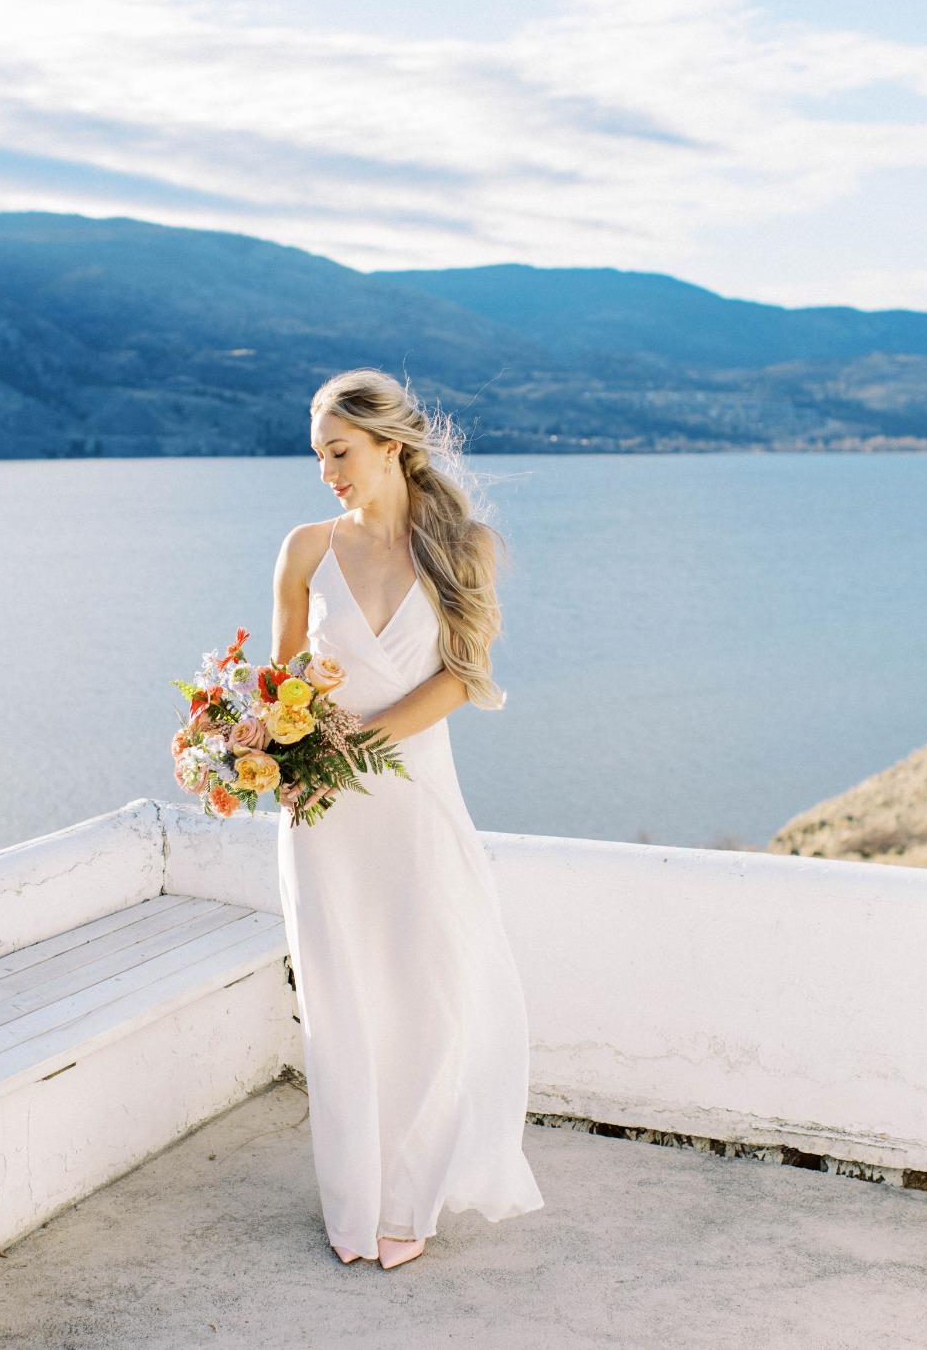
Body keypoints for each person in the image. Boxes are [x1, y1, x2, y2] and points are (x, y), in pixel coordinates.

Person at [272, 368, 543, 1270]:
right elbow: (281, 691)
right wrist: (270, 746)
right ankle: (354, 1207)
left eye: (339, 453)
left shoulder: (463, 546)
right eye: (318, 457)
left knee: (427, 996)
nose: (326, 474)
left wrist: (364, 741)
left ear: (391, 445)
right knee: (343, 1007)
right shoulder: (304, 551)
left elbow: (466, 676)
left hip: (415, 803)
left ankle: (409, 1197)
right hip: (325, 819)